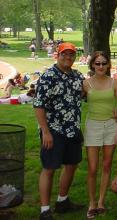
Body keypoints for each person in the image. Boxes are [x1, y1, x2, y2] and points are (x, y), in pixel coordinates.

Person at [33, 42, 85, 220]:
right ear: (58, 55)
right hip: (53, 130)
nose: (68, 57)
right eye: (64, 54)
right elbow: (38, 105)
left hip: (73, 129)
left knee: (71, 165)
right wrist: (45, 132)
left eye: (71, 54)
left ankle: (63, 201)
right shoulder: (48, 76)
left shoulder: (77, 76)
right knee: (49, 168)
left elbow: (89, 92)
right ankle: (45, 210)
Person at [82, 51, 117, 218]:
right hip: (93, 125)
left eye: (103, 63)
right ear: (92, 65)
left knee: (106, 165)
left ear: (108, 65)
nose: (100, 66)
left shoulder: (114, 82)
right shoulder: (85, 84)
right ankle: (91, 202)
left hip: (111, 126)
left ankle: (100, 201)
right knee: (92, 168)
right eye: (97, 63)